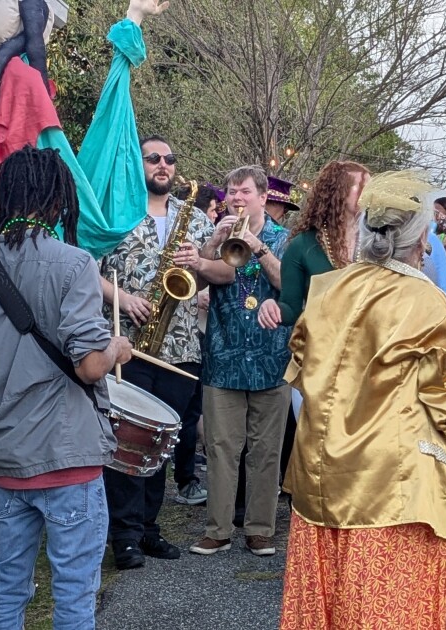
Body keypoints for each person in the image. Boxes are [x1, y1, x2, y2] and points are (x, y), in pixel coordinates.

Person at [279, 170, 446, 628]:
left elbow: (303, 373)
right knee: (389, 611)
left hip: (321, 481)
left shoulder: (328, 290)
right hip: (392, 491)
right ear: (422, 237)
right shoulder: (427, 303)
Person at [0, 146, 131, 628]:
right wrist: (116, 347)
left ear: (6, 196)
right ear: (57, 201)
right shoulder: (74, 263)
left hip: (5, 458)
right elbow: (91, 366)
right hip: (65, 455)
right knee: (74, 592)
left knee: (7, 584)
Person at [98, 135, 233, 569]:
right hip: (127, 346)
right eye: (153, 158)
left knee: (160, 444)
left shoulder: (192, 217)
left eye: (170, 159)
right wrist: (122, 301)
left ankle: (149, 529)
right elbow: (83, 267)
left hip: (180, 347)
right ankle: (125, 535)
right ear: (137, 164)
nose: (163, 165)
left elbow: (223, 274)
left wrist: (201, 262)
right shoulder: (115, 209)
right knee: (126, 443)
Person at [190, 165, 293, 557]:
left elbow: (289, 284)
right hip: (223, 355)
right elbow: (194, 283)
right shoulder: (215, 233)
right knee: (220, 447)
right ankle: (217, 529)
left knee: (267, 450)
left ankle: (260, 529)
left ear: (263, 197)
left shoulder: (284, 238)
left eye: (244, 192)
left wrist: (256, 243)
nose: (236, 198)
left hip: (271, 358)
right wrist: (212, 244)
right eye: (231, 192)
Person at [258, 160, 370, 330]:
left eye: (369, 186)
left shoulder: (379, 243)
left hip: (367, 347)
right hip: (321, 346)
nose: (368, 193)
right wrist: (271, 307)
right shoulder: (303, 245)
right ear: (337, 191)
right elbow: (290, 309)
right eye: (360, 185)